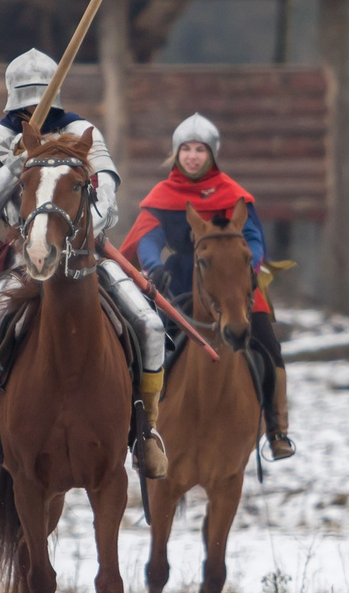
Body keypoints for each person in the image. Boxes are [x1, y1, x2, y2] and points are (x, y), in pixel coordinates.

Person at [0, 47, 168, 478]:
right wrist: (18, 165)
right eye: (28, 100)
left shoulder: (81, 131)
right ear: (14, 99)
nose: (36, 106)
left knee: (150, 325)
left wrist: (81, 219)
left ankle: (146, 432)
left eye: (42, 98)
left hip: (86, 258)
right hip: (23, 262)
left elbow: (107, 200)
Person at [120, 113, 297, 458]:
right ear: (176, 153)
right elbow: (148, 238)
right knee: (144, 341)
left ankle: (277, 429)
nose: (192, 156)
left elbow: (253, 237)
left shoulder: (234, 195)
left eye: (200, 149)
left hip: (233, 282)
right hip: (179, 281)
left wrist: (250, 267)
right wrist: (154, 266)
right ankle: (136, 423)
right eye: (186, 149)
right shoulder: (164, 195)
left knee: (267, 344)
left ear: (212, 154)